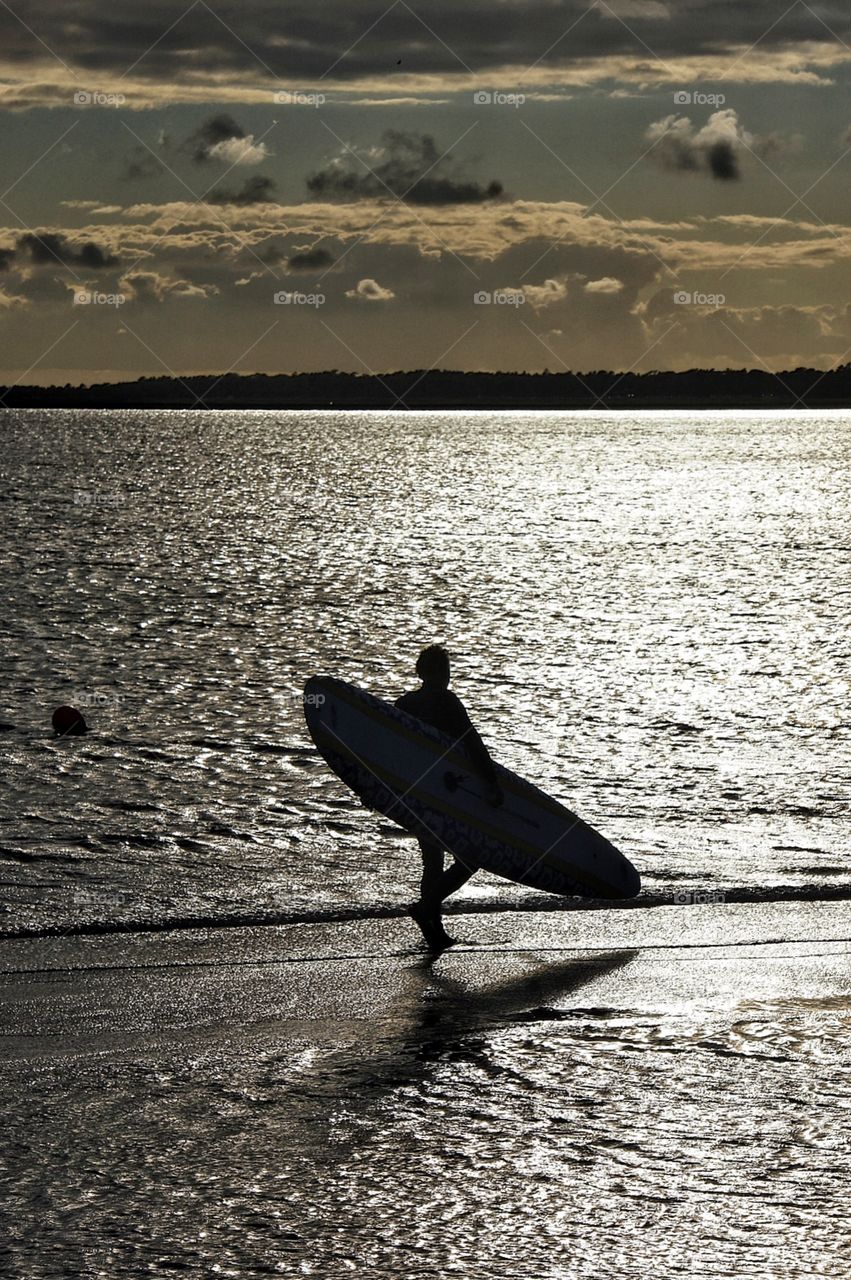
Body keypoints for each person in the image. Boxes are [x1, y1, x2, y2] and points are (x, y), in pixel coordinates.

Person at [395, 645, 503, 949]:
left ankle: (433, 927)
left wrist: (372, 788)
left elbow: (386, 749)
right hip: (445, 794)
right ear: (445, 674)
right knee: (470, 859)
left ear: (419, 672)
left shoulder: (405, 704)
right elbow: (472, 743)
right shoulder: (447, 702)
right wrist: (492, 782)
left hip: (416, 795)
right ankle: (427, 908)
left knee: (432, 861)